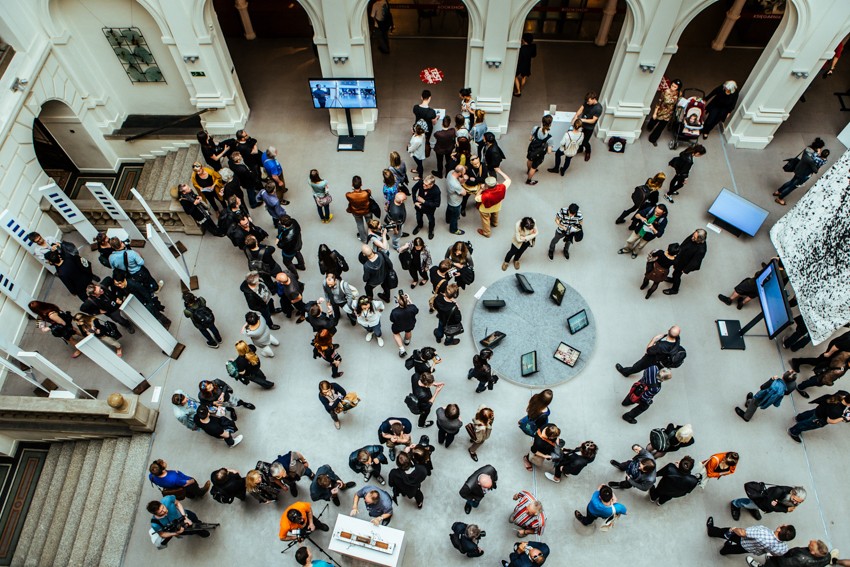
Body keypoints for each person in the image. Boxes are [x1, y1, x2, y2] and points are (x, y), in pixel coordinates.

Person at [705, 517, 795, 557]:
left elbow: (743, 533)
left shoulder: (763, 533)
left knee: (724, 532)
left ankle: (711, 531)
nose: (783, 524)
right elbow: (774, 553)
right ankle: (724, 551)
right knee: (735, 550)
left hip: (743, 539)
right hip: (750, 549)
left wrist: (734, 529)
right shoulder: (783, 548)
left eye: (784, 525)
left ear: (779, 530)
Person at [616, 325, 682, 376]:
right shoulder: (677, 341)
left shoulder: (661, 346)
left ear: (668, 330)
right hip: (662, 363)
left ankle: (625, 372)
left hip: (652, 359)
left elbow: (648, 350)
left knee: (637, 366)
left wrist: (654, 339)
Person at [147, 496, 211, 544]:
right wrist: (176, 533)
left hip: (186, 515)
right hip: (179, 529)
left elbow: (177, 503)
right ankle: (199, 531)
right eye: (161, 512)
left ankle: (200, 525)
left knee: (196, 520)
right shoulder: (155, 524)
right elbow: (162, 534)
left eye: (163, 507)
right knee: (192, 531)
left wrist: (185, 517)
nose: (165, 510)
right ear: (155, 514)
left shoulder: (167, 499)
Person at [664, 229, 708, 295]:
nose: (692, 237)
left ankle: (674, 289)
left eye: (694, 237)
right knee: (675, 272)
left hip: (684, 264)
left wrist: (685, 270)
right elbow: (685, 242)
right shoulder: (694, 236)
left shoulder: (701, 250)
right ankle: (672, 279)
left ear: (699, 239)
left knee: (677, 275)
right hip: (681, 257)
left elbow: (695, 262)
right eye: (693, 235)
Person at [748, 540, 850, 567]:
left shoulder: (801, 558)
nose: (811, 541)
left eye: (812, 544)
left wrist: (773, 555)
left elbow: (783, 563)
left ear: (813, 552)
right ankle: (834, 561)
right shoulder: (826, 555)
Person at [731, 485, 806, 522]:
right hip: (762, 501)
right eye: (794, 500)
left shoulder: (794, 498)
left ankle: (753, 509)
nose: (795, 503)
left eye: (799, 502)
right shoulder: (778, 491)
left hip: (767, 504)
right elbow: (769, 505)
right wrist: (786, 509)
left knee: (754, 506)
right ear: (792, 492)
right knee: (750, 503)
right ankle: (735, 504)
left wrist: (776, 505)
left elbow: (774, 505)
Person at [646, 79, 682, 146]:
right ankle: (649, 126)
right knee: (653, 121)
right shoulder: (666, 92)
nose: (672, 88)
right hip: (661, 111)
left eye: (675, 87)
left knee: (660, 128)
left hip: (668, 114)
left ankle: (653, 139)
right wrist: (655, 112)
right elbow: (659, 102)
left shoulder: (679, 93)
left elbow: (679, 101)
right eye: (672, 85)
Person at [475, 172, 509, 238]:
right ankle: (494, 223)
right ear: (496, 183)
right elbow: (508, 180)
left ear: (486, 186)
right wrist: (499, 171)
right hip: (497, 206)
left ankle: (486, 232)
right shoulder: (502, 187)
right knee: (495, 214)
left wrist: (481, 190)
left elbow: (476, 198)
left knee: (486, 219)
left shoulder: (485, 195)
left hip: (485, 209)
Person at [525, 115, 553, 185]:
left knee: (529, 160)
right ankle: (529, 180)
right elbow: (549, 152)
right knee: (534, 168)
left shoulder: (535, 128)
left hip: (531, 149)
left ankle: (528, 170)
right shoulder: (549, 138)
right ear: (550, 124)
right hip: (539, 153)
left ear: (542, 122)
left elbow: (530, 139)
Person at [411, 174, 441, 240]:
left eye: (426, 185)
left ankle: (431, 231)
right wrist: (414, 201)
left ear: (431, 185)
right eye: (424, 183)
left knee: (431, 220)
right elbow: (413, 189)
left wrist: (424, 201)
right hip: (419, 206)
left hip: (429, 209)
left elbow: (437, 204)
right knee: (418, 217)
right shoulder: (421, 182)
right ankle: (419, 225)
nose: (423, 185)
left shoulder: (436, 191)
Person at [575, 91, 602, 160]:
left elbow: (593, 120)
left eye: (589, 101)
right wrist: (576, 116)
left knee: (585, 141)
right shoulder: (587, 102)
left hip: (589, 127)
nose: (587, 103)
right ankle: (580, 149)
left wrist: (582, 120)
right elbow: (581, 109)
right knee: (579, 137)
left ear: (594, 99)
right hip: (582, 125)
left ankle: (588, 151)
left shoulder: (598, 108)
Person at [390, 291, 418, 357]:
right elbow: (415, 310)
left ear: (398, 302)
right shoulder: (412, 308)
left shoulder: (395, 312)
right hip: (410, 324)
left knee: (396, 334)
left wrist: (397, 307)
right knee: (408, 331)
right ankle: (407, 341)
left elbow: (392, 319)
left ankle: (402, 349)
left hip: (398, 326)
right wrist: (409, 300)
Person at [345, 176, 372, 243]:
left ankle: (364, 239)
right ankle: (371, 236)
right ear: (361, 184)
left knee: (360, 224)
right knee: (370, 223)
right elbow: (369, 193)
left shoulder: (349, 195)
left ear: (352, 185)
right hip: (367, 211)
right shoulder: (367, 192)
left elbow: (348, 197)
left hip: (356, 212)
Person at [445, 165, 467, 235]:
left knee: (449, 209)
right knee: (455, 216)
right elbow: (464, 193)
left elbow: (459, 180)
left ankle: (448, 220)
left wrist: (462, 178)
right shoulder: (455, 184)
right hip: (456, 202)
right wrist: (465, 179)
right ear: (460, 173)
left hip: (450, 198)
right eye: (463, 172)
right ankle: (453, 229)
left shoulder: (450, 172)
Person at [514, 32, 537, 97]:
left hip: (521, 64)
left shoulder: (521, 49)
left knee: (515, 76)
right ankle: (521, 89)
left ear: (524, 40)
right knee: (524, 76)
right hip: (527, 64)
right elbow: (534, 55)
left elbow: (519, 58)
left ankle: (518, 91)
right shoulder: (533, 47)